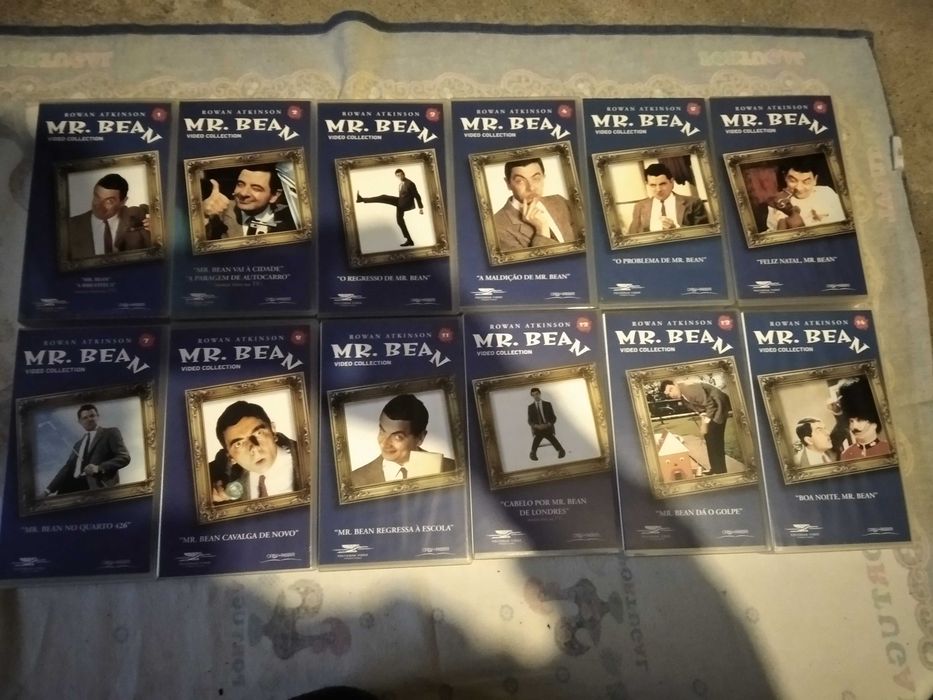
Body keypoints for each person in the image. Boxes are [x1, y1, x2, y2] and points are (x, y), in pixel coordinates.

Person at [350, 394, 455, 487]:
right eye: (382, 431)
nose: (384, 443)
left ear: (420, 438)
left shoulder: (452, 469)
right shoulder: (354, 480)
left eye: (397, 437)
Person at [209, 400, 301, 502]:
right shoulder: (217, 480)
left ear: (273, 431)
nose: (254, 448)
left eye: (258, 433)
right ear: (231, 457)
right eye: (238, 444)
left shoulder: (310, 458)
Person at [492, 157, 578, 251]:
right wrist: (542, 230)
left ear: (543, 177)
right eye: (520, 181)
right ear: (508, 183)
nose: (531, 188)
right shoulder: (497, 228)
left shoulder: (560, 201)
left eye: (536, 178)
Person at [44, 404, 130, 496]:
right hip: (70, 486)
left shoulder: (110, 433)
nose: (89, 419)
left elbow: (124, 457)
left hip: (96, 487)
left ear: (97, 416)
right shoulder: (77, 444)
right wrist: (48, 490)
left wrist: (99, 468)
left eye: (92, 416)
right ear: (80, 421)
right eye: (85, 418)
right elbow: (67, 468)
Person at [66, 173, 150, 260]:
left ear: (123, 201)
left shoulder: (135, 217)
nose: (99, 206)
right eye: (97, 197)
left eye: (109, 201)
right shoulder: (70, 227)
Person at [202, 163, 296, 239]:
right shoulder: (217, 212)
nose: (243, 193)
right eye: (240, 184)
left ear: (274, 196)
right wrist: (203, 215)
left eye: (256, 188)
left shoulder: (293, 216)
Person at [660, 379, 731, 475]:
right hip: (711, 408)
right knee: (709, 437)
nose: (671, 395)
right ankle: (715, 468)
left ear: (675, 384)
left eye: (671, 389)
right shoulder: (683, 396)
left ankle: (721, 471)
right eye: (668, 394)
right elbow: (701, 408)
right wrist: (703, 420)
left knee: (715, 438)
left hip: (719, 405)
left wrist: (705, 423)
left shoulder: (688, 388)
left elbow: (710, 404)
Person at [627, 163, 709, 234]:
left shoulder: (693, 202)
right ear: (647, 185)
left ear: (672, 182)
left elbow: (704, 232)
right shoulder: (639, 206)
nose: (658, 189)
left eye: (662, 184)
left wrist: (676, 229)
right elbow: (632, 236)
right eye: (653, 185)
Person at [765, 157, 845, 231]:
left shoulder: (827, 193)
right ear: (785, 177)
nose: (799, 188)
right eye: (793, 181)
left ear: (815, 180)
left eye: (806, 182)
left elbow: (844, 223)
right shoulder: (778, 201)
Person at [356, 169, 424, 246]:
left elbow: (417, 196)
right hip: (400, 202)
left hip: (405, 204)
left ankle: (361, 199)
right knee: (400, 221)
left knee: (383, 197)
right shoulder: (402, 183)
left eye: (401, 175)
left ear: (404, 174)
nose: (399, 177)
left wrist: (420, 208)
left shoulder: (410, 183)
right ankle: (410, 241)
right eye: (397, 176)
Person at [837, 378, 892, 460]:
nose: (854, 426)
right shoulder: (845, 455)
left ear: (874, 423)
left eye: (859, 420)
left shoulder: (889, 449)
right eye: (851, 421)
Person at [527, 387, 565, 461]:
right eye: (533, 395)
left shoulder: (547, 404)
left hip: (547, 426)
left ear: (540, 394)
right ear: (532, 396)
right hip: (538, 428)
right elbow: (529, 421)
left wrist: (548, 424)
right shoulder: (530, 407)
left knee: (543, 435)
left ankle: (533, 452)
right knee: (544, 435)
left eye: (537, 394)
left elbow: (554, 418)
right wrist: (536, 426)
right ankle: (560, 450)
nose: (536, 396)